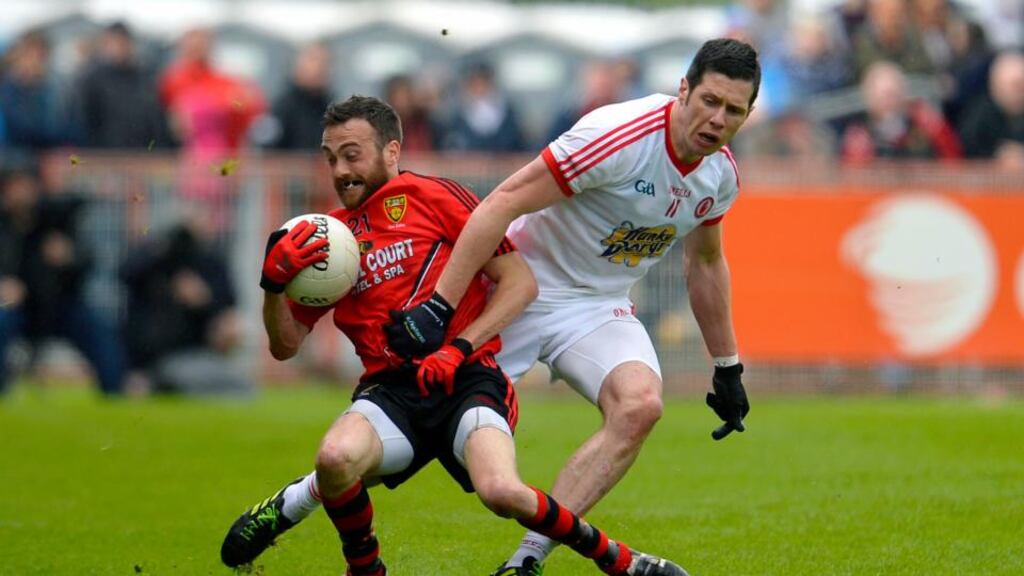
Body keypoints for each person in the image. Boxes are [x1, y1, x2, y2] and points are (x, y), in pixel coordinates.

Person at [218, 96, 686, 576]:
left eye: (353, 154)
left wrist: (459, 348)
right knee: (335, 458)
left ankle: (622, 562)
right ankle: (365, 569)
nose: (340, 170)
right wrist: (272, 287)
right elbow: (285, 345)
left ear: (392, 151)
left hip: (468, 380)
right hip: (392, 392)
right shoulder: (324, 237)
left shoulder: (433, 196)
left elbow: (520, 284)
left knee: (502, 492)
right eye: (331, 157)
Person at [386, 38, 757, 574]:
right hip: (521, 290)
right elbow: (504, 200)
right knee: (412, 421)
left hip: (596, 306)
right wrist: (443, 304)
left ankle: (526, 561)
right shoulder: (617, 136)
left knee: (640, 406)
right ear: (683, 90)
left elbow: (704, 263)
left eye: (733, 111)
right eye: (709, 101)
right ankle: (301, 498)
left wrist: (728, 367)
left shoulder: (719, 175)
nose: (717, 119)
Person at [0, 163, 125, 395]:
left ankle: (116, 394)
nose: (21, 194)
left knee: (97, 326)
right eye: (14, 187)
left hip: (57, 306)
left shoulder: (55, 220)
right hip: (17, 308)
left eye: (25, 186)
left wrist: (70, 257)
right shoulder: (5, 228)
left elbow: (87, 263)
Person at [119, 214, 252, 396]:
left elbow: (228, 311)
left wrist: (204, 299)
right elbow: (126, 275)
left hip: (196, 353)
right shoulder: (152, 261)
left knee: (238, 388)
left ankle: (159, 385)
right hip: (151, 357)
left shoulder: (211, 264)